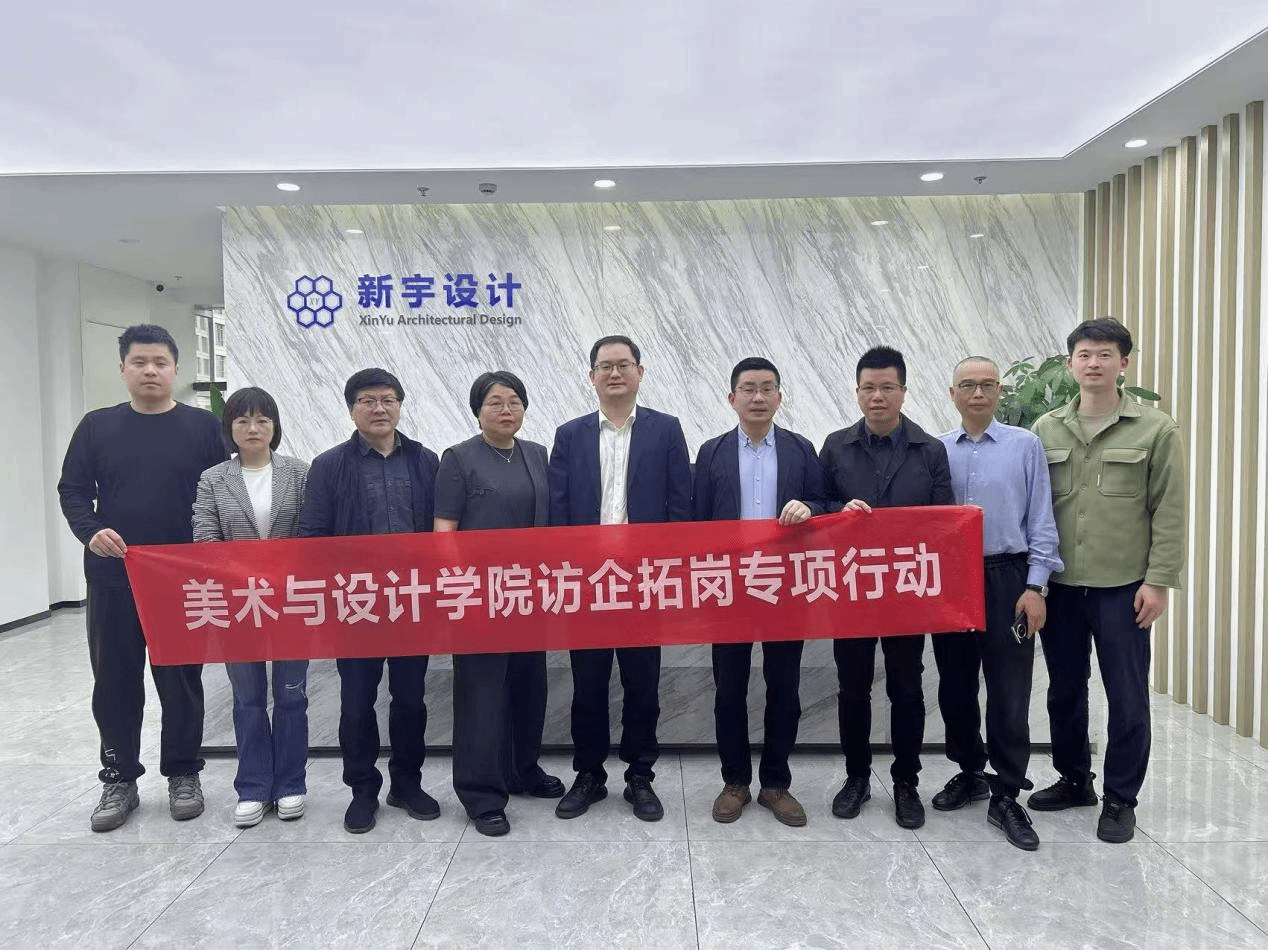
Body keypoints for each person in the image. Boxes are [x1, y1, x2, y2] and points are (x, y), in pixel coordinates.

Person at [58, 324, 226, 832]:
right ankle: (119, 779)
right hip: (114, 575)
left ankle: (183, 772)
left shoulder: (203, 428)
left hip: (182, 580)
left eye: (160, 362)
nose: (150, 371)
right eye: (139, 362)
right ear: (123, 369)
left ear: (176, 369)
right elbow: (72, 490)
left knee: (182, 681)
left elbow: (221, 491)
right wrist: (90, 531)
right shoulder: (97, 427)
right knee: (115, 681)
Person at [1030, 318, 1186, 844]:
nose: (1093, 363)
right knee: (1064, 691)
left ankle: (1121, 798)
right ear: (1070, 363)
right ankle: (1074, 780)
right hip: (1062, 586)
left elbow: (1169, 511)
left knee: (1127, 696)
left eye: (1104, 354)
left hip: (1124, 587)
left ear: (1124, 363)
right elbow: (1036, 508)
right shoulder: (1046, 429)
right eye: (1084, 354)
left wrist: (1158, 582)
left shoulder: (1155, 429)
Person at [548, 334, 692, 821]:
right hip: (587, 582)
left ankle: (640, 776)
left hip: (643, 581)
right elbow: (558, 512)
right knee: (587, 686)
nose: (615, 373)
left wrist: (669, 572)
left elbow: (679, 506)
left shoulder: (665, 430)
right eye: (605, 366)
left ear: (639, 373)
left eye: (624, 364)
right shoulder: (569, 435)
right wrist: (567, 574)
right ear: (592, 377)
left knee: (642, 684)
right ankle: (589, 774)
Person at [298, 368, 441, 835]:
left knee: (410, 700)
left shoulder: (425, 461)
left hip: (411, 603)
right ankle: (362, 790)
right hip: (356, 604)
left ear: (400, 406)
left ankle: (407, 784)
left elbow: (442, 534)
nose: (379, 408)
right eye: (368, 400)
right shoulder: (329, 466)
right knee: (357, 704)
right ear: (351, 409)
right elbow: (312, 536)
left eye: (388, 399)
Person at [818, 345, 953, 829]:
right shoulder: (836, 446)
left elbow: (944, 521)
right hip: (851, 588)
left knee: (907, 689)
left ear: (903, 391)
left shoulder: (929, 450)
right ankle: (857, 777)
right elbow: (816, 505)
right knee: (852, 688)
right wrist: (838, 511)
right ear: (857, 393)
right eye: (869, 388)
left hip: (906, 589)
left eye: (887, 387)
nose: (878, 397)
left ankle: (906, 782)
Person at [933, 357, 1063, 850]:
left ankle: (1007, 792)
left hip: (1008, 576)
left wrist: (1036, 586)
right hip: (950, 579)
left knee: (1009, 689)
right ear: (952, 393)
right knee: (955, 686)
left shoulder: (1024, 445)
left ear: (1000, 391)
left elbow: (1042, 519)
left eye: (987, 385)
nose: (978, 394)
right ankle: (971, 771)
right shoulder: (936, 450)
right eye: (967, 385)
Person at [693, 357, 826, 827]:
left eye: (767, 388)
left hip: (784, 585)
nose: (757, 397)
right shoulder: (711, 452)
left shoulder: (800, 449)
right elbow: (696, 522)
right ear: (732, 399)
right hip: (727, 587)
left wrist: (809, 507)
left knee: (784, 688)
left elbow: (825, 502)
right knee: (729, 688)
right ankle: (735, 781)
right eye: (748, 389)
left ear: (779, 397)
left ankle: (775, 784)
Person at [433, 371, 565, 837]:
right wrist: (463, 591)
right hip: (479, 598)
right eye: (495, 402)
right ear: (477, 411)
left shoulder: (537, 454)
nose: (506, 410)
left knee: (529, 689)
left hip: (529, 596)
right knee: (482, 697)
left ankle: (522, 770)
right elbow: (444, 534)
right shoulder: (458, 459)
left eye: (514, 401)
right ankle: (481, 794)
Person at [192, 387, 311, 828]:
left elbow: (312, 532)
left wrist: (279, 570)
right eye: (242, 420)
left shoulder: (299, 473)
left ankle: (291, 783)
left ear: (274, 426)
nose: (253, 428)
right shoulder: (213, 479)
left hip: (291, 600)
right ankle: (254, 787)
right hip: (238, 602)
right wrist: (244, 575)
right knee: (248, 699)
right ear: (230, 429)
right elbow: (205, 536)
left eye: (262, 419)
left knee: (291, 696)